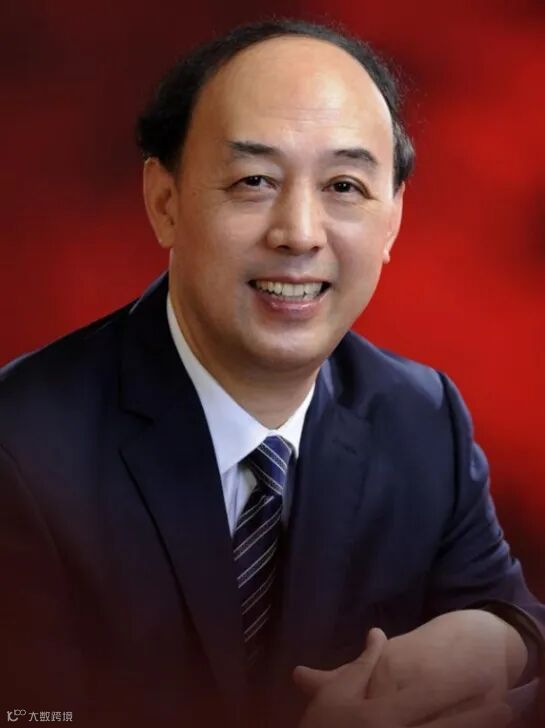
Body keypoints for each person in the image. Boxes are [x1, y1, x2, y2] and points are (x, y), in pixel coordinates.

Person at [0, 18, 543, 728]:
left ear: (392, 221)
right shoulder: (21, 446)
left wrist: (498, 641)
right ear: (164, 202)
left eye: (344, 185)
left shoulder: (422, 415)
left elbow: (511, 615)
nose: (299, 233)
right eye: (253, 180)